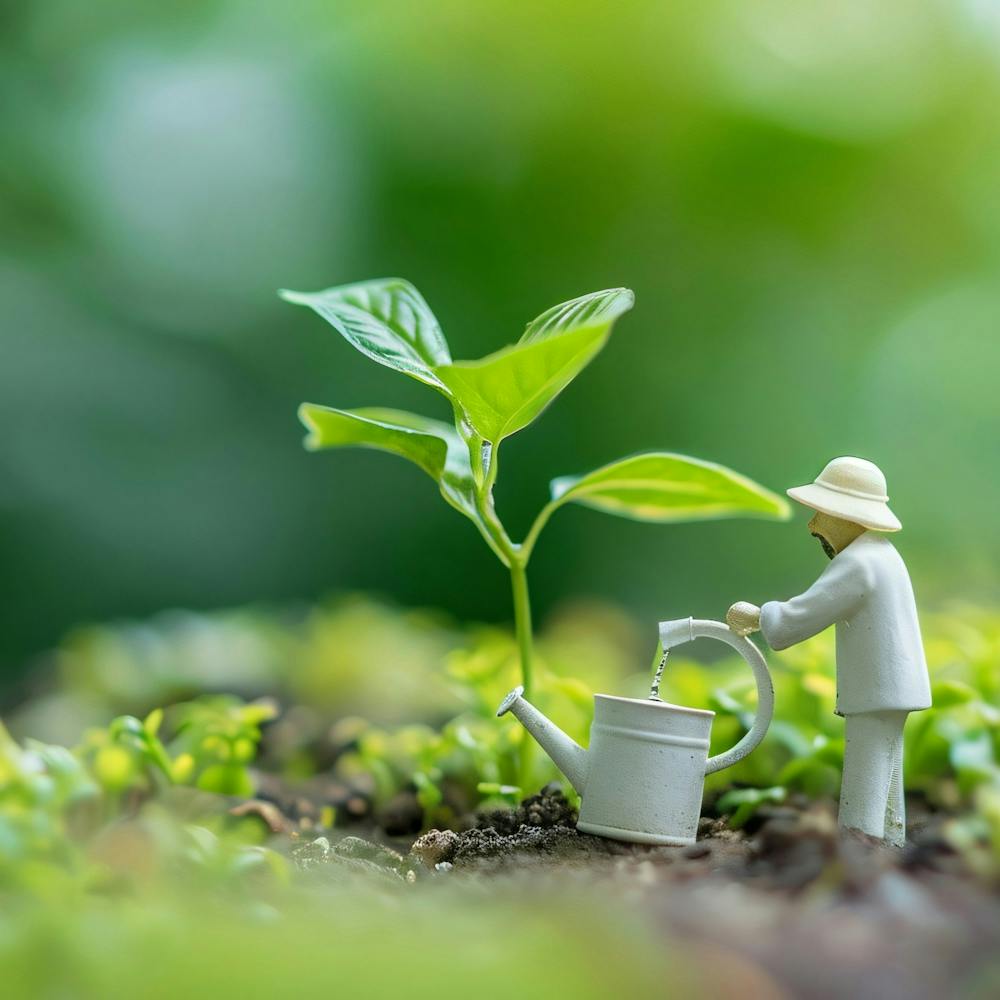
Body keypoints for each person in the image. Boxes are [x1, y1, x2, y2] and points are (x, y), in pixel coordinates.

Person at [726, 456, 931, 846]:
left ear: (846, 515)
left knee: (867, 773)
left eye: (821, 513)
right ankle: (889, 842)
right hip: (896, 685)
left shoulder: (858, 563)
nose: (813, 524)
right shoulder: (884, 553)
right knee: (887, 771)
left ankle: (859, 848)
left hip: (876, 687)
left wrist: (759, 616)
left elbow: (805, 612)